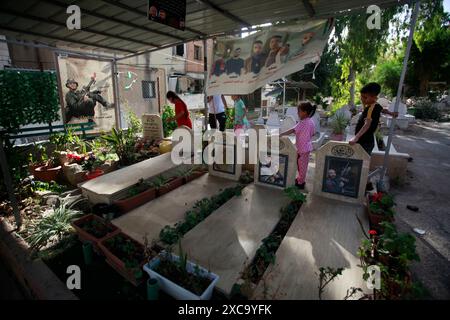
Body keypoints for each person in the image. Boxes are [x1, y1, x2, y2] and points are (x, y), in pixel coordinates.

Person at [349, 83, 398, 155]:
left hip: (364, 142)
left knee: (362, 160)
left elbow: (367, 124)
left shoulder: (371, 108)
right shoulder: (375, 105)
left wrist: (356, 138)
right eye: (361, 96)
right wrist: (391, 113)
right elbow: (383, 110)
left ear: (374, 97)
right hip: (366, 140)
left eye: (365, 97)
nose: (362, 99)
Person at [280, 101, 316, 189]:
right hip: (306, 147)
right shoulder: (311, 122)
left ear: (305, 112)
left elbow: (293, 130)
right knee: (303, 165)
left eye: (299, 111)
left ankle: (301, 183)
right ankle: (300, 179)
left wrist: (281, 134)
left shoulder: (303, 122)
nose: (297, 113)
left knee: (301, 166)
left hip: (302, 149)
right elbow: (313, 133)